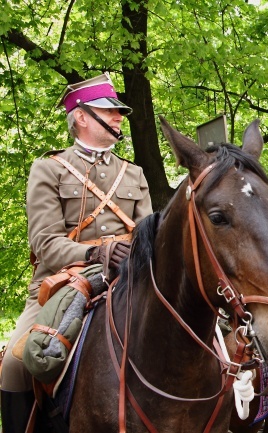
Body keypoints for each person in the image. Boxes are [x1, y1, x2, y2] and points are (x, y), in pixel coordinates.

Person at [0, 72, 152, 432]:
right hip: (63, 280)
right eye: (109, 110)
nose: (119, 117)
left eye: (119, 112)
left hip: (128, 275)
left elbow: (148, 235)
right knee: (16, 365)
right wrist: (93, 255)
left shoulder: (134, 173)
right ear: (82, 115)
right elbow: (46, 243)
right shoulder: (48, 169)